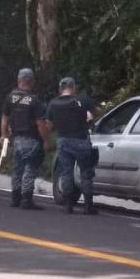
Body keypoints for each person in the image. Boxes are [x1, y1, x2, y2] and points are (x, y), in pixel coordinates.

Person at [46, 77, 99, 215]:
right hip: (81, 140)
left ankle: (68, 204)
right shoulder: (83, 100)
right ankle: (88, 205)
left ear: (60, 88)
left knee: (66, 172)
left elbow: (49, 125)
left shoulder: (54, 103)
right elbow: (95, 114)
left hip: (63, 140)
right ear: (73, 87)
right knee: (86, 173)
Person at [0, 68, 50, 210]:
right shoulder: (34, 100)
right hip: (31, 138)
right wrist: (46, 140)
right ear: (32, 81)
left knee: (17, 168)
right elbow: (40, 123)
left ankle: (15, 198)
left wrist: (4, 135)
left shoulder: (10, 97)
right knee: (30, 168)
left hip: (16, 139)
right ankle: (26, 200)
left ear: (19, 80)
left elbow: (4, 118)